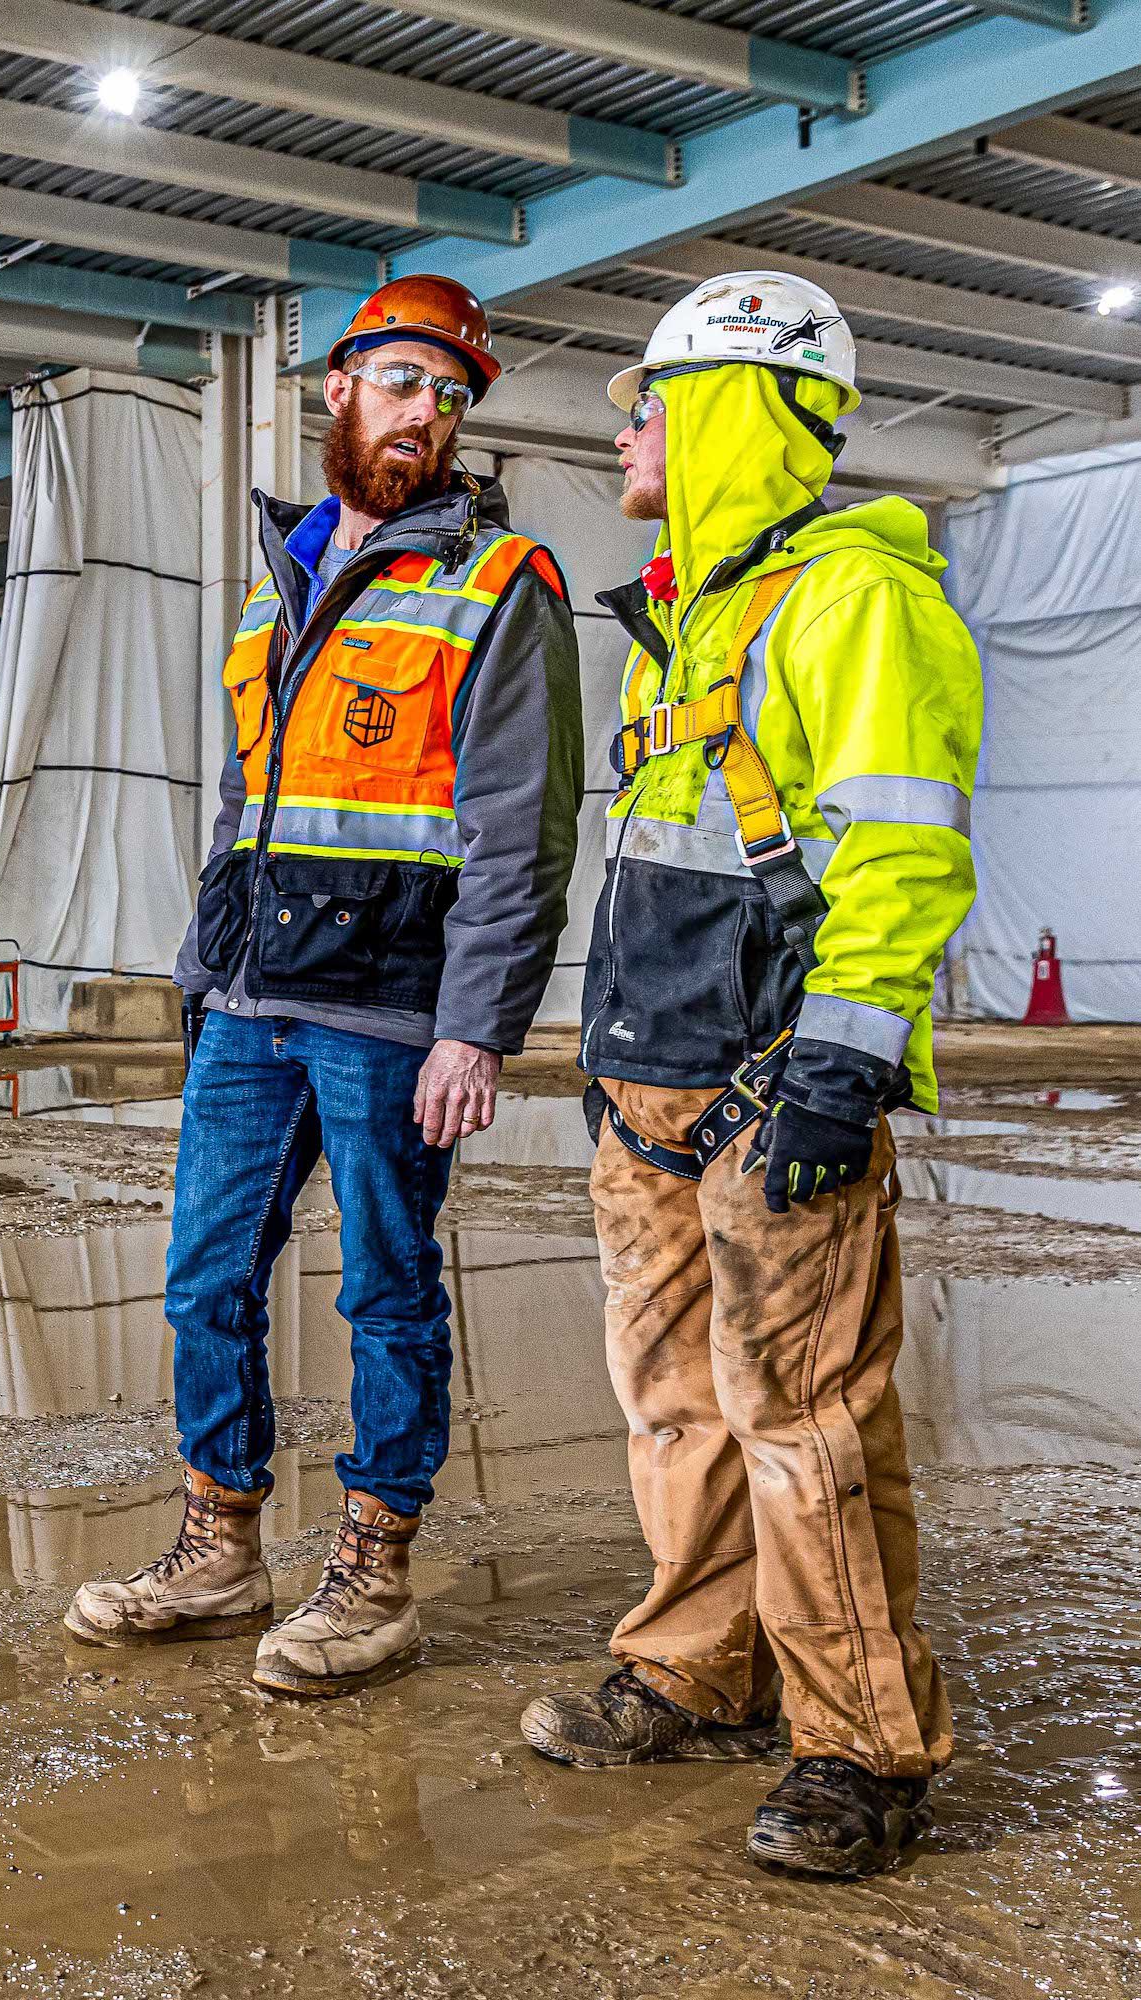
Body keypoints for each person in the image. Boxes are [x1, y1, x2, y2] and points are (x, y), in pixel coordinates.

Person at [520, 271, 982, 1878]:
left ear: (726, 409)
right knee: (673, 1412)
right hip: (648, 1084)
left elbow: (904, 862)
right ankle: (696, 1661)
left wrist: (840, 1075)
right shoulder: (682, 623)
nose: (629, 427)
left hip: (779, 1089)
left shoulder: (855, 601)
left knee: (805, 1427)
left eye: (650, 397)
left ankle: (860, 1749)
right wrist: (607, 1063)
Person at [66, 275, 584, 1696]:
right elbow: (247, 808)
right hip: (247, 999)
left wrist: (474, 1028)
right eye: (405, 381)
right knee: (201, 1281)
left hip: (386, 1012)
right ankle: (218, 1543)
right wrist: (198, 973)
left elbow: (520, 831)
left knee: (388, 1291)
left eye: (452, 393)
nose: (428, 412)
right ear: (339, 392)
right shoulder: (271, 586)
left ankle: (372, 1571)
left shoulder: (495, 584)